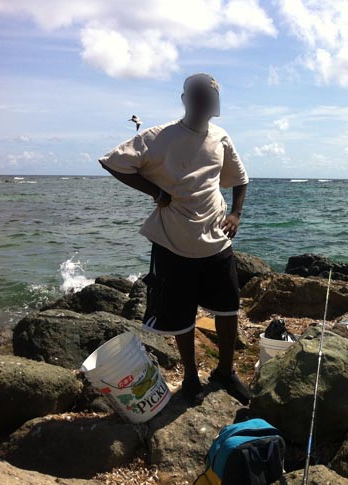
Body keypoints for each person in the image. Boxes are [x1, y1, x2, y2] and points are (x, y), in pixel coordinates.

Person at [99, 73, 250, 405]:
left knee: (228, 308)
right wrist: (155, 191)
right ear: (185, 100)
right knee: (181, 316)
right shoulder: (159, 137)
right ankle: (191, 377)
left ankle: (225, 371)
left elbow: (240, 179)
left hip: (216, 240)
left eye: (209, 97)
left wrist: (236, 214)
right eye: (196, 97)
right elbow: (113, 162)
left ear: (217, 104)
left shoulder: (221, 137)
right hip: (172, 242)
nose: (203, 103)